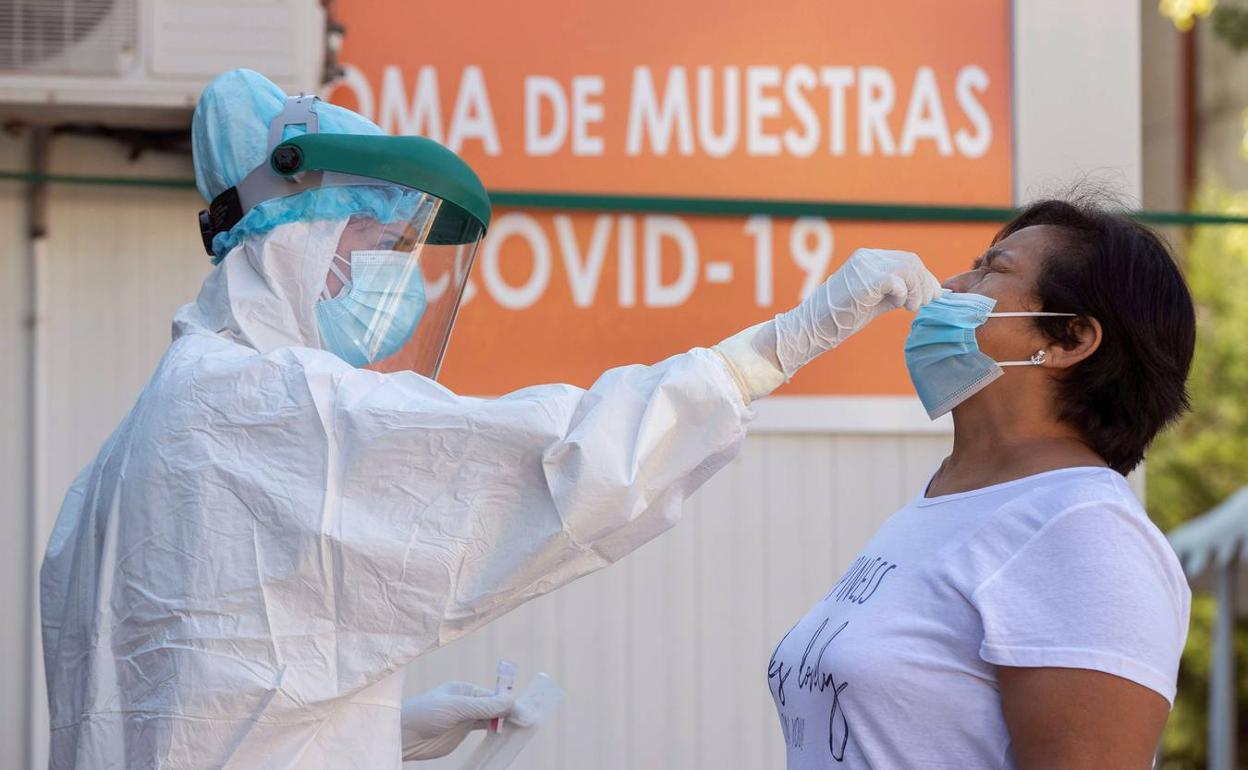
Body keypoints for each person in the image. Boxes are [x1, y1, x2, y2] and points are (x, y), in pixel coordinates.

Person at [38, 69, 942, 770]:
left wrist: (375, 731)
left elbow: (194, 703)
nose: (382, 273)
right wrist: (780, 346)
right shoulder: (267, 407)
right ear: (296, 232)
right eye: (371, 239)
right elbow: (563, 466)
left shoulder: (145, 437)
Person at [767, 197, 1196, 769]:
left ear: (1070, 339)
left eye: (993, 269)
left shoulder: (1084, 531)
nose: (952, 282)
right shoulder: (942, 504)